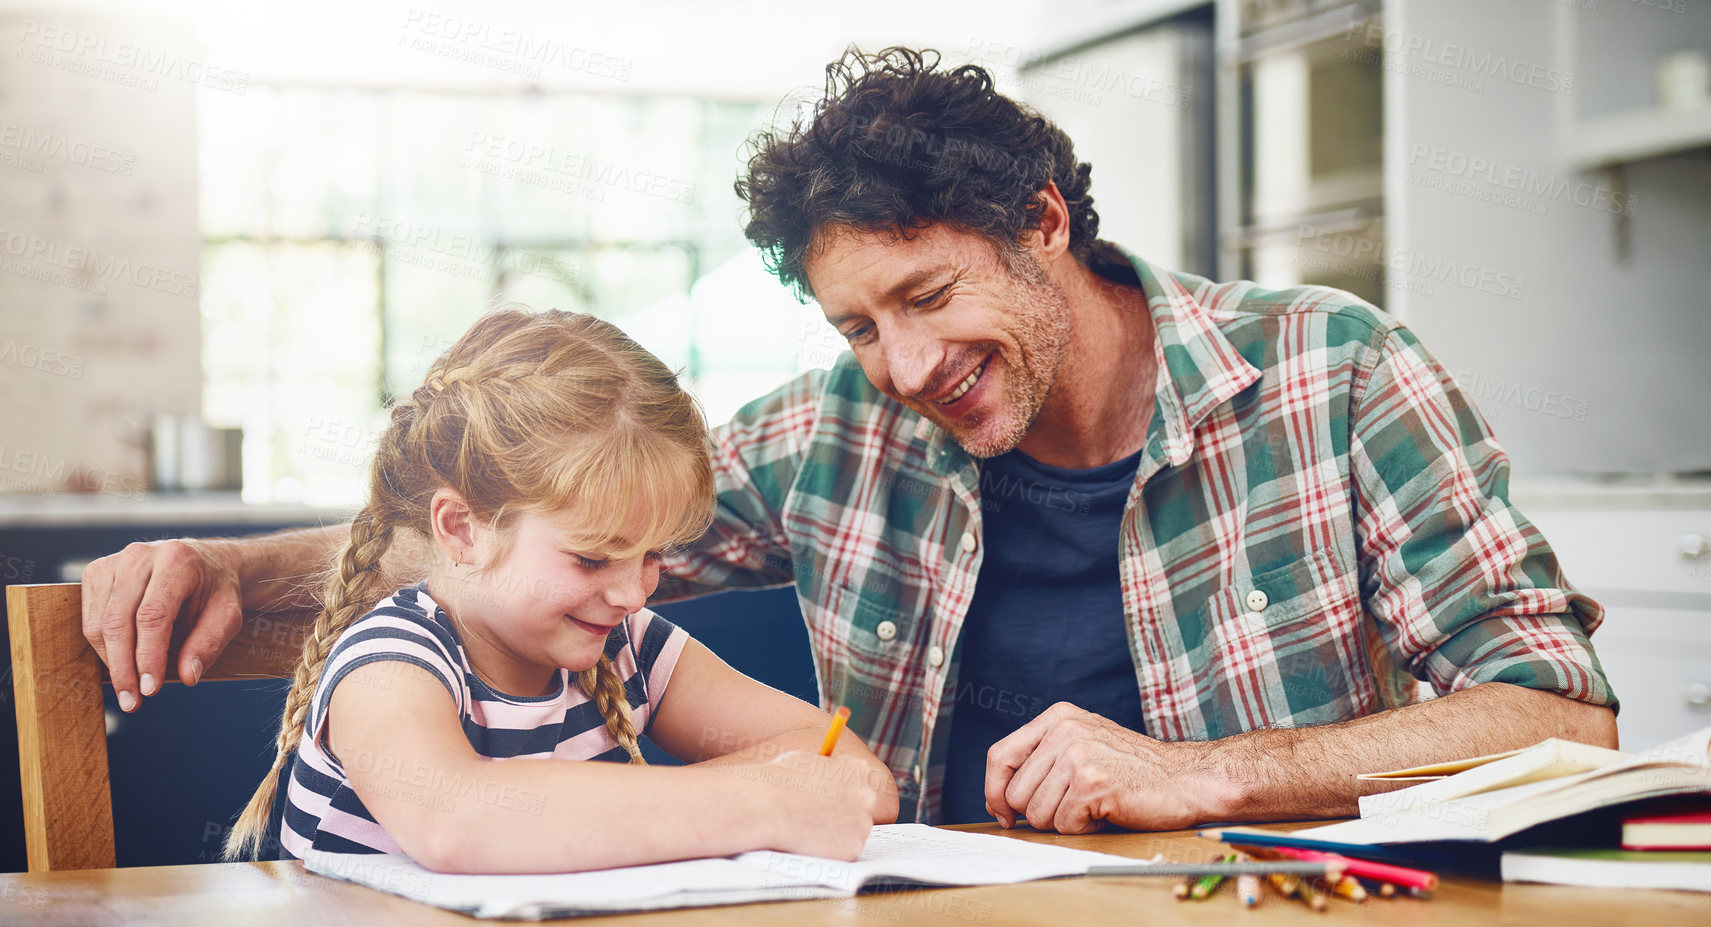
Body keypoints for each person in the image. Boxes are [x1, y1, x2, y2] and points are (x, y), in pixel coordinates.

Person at [83, 49, 1616, 837]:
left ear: (1041, 225)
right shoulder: (832, 434)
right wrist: (245, 564)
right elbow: (528, 527)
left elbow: (1553, 715)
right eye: (853, 326)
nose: (903, 366)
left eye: (927, 298)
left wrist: (1195, 774)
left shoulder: (1331, 372)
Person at [220, 306, 894, 871]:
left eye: (652, 553)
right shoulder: (390, 665)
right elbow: (459, 821)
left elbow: (852, 768)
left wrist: (764, 792)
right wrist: (765, 800)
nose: (633, 593)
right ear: (461, 530)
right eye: (592, 559)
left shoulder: (630, 648)